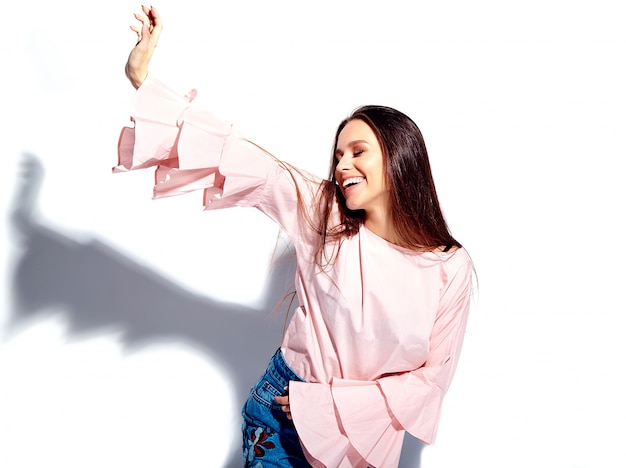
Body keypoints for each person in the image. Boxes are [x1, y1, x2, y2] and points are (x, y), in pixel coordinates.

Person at [118, 6, 474, 467]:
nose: (342, 165)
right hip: (281, 419)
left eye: (359, 151)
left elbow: (429, 385)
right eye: (339, 154)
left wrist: (328, 406)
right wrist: (142, 78)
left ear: (400, 156)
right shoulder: (324, 215)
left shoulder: (450, 267)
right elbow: (237, 154)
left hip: (359, 439)